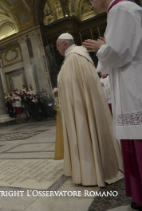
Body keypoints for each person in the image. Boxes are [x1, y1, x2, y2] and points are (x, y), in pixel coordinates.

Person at [83, 0, 142, 208]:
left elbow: (120, 55)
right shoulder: (120, 10)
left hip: (134, 86)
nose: (91, 6)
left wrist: (102, 48)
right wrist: (105, 47)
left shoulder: (120, 9)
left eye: (91, 1)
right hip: (128, 84)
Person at [56, 32, 123, 187]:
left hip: (80, 109)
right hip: (81, 105)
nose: (57, 49)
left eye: (58, 45)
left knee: (86, 131)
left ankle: (92, 171)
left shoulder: (74, 58)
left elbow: (74, 87)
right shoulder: (77, 56)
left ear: (65, 44)